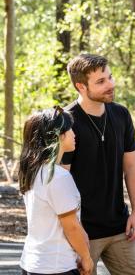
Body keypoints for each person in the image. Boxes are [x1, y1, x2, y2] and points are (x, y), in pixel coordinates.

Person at [61, 54, 135, 275]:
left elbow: (132, 167)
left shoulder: (121, 114)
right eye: (101, 82)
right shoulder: (66, 123)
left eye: (110, 77)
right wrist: (73, 232)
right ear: (80, 86)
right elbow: (61, 182)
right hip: (82, 234)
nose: (111, 85)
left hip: (120, 229)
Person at [19, 107, 93, 275]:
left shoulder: (33, 171)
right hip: (56, 267)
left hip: (32, 263)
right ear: (59, 135)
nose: (74, 134)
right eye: (70, 129)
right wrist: (86, 258)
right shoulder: (58, 177)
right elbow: (71, 227)